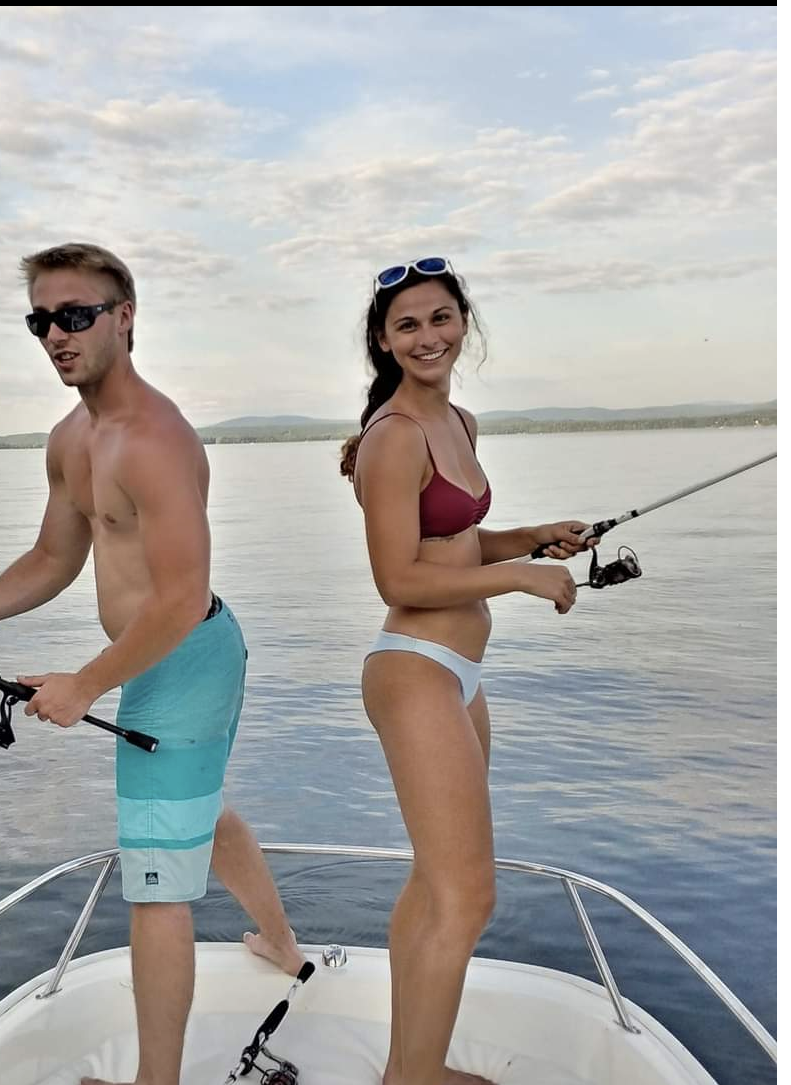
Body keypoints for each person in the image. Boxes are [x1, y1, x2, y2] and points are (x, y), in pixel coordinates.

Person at [0, 242, 303, 1085]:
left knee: (155, 887)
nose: (55, 336)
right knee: (203, 813)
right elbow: (52, 557)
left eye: (75, 316)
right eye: (40, 320)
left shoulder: (155, 439)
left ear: (125, 317)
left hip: (186, 657)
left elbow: (182, 596)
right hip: (167, 655)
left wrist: (87, 682)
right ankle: (284, 947)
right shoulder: (72, 437)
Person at [339, 257, 598, 1085]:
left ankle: (410, 1069)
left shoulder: (462, 422)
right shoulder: (392, 437)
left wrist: (528, 537)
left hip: (459, 673)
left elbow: (452, 543)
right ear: (383, 340)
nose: (428, 336)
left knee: (434, 884)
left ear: (464, 323)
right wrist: (520, 577)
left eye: (441, 318)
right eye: (408, 324)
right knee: (467, 896)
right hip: (412, 667)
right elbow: (399, 578)